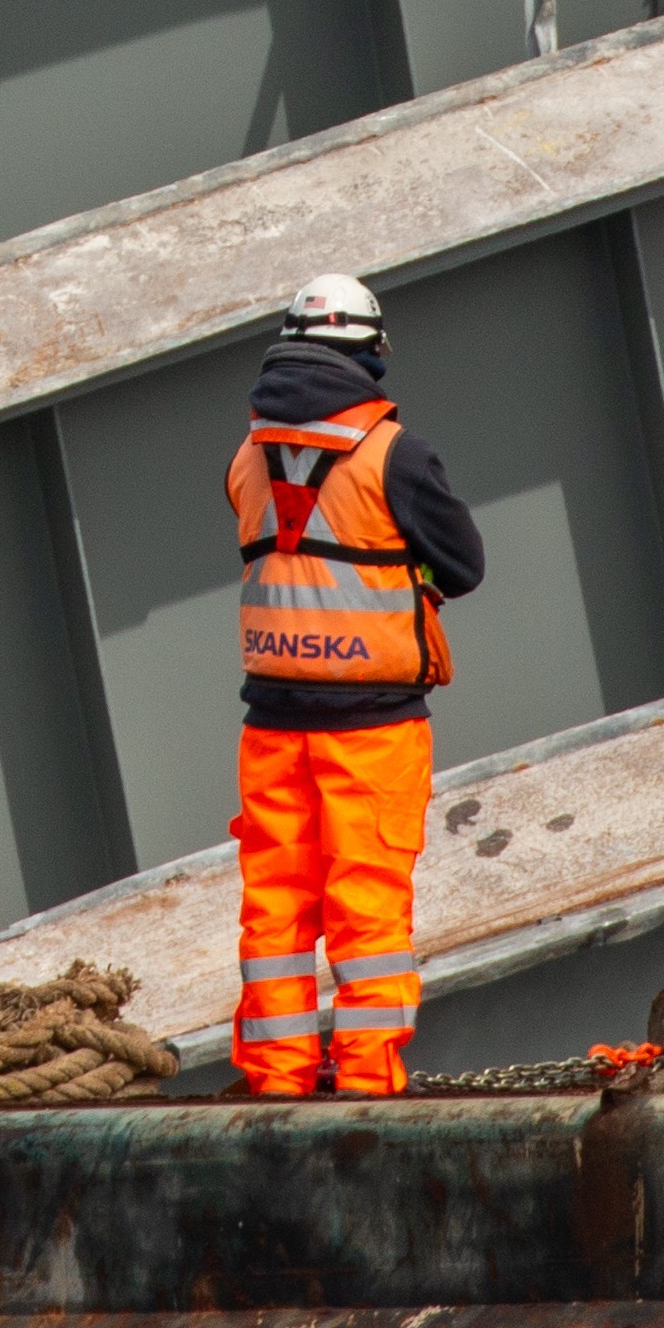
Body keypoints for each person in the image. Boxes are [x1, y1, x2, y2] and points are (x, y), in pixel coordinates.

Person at [226, 271, 483, 1096]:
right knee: (367, 904)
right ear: (372, 352)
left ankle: (278, 1076)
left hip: (271, 724)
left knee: (276, 904)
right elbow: (465, 566)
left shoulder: (248, 455)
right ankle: (369, 1084)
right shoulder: (394, 454)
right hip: (372, 725)